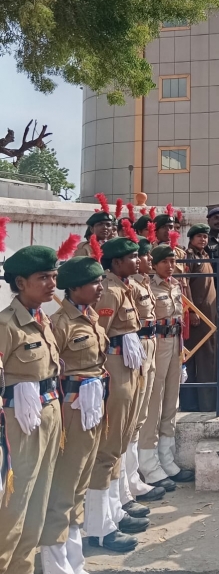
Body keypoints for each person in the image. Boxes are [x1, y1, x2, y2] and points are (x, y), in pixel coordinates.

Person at [39, 256, 112, 573]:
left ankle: (74, 558)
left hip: (92, 408)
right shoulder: (61, 324)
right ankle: (54, 562)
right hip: (71, 410)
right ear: (76, 288)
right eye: (94, 283)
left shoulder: (90, 317)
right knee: (64, 487)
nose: (100, 288)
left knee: (79, 484)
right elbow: (48, 372)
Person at [0, 245, 62, 574]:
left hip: (49, 413)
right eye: (43, 277)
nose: (52, 283)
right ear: (21, 282)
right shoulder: (6, 325)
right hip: (18, 423)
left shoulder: (43, 319)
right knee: (14, 504)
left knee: (39, 503)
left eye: (54, 276)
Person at [85, 236, 148, 551]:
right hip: (115, 369)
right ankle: (98, 525)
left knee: (119, 444)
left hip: (129, 368)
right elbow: (100, 335)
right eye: (131, 257)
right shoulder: (109, 290)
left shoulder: (123, 286)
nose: (137, 261)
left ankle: (113, 512)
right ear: (115, 262)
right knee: (108, 448)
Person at [138, 244, 194, 487]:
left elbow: (180, 321)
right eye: (165, 262)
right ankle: (148, 463)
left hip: (174, 344)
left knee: (172, 400)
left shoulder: (174, 284)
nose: (170, 266)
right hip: (157, 345)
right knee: (154, 401)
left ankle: (167, 457)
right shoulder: (148, 286)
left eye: (173, 261)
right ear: (154, 264)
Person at [122, 238, 164, 506]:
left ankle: (133, 479)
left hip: (150, 346)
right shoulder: (123, 289)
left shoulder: (143, 284)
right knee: (131, 419)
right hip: (132, 352)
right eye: (142, 256)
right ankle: (126, 484)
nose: (144, 260)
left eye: (144, 256)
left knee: (143, 414)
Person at [184, 224, 219, 410]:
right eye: (199, 236)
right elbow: (185, 285)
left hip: (209, 315)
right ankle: (191, 404)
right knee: (192, 360)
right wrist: (191, 311)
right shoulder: (188, 257)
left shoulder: (205, 255)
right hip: (197, 317)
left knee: (209, 358)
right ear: (191, 238)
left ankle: (209, 402)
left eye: (205, 237)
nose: (203, 240)